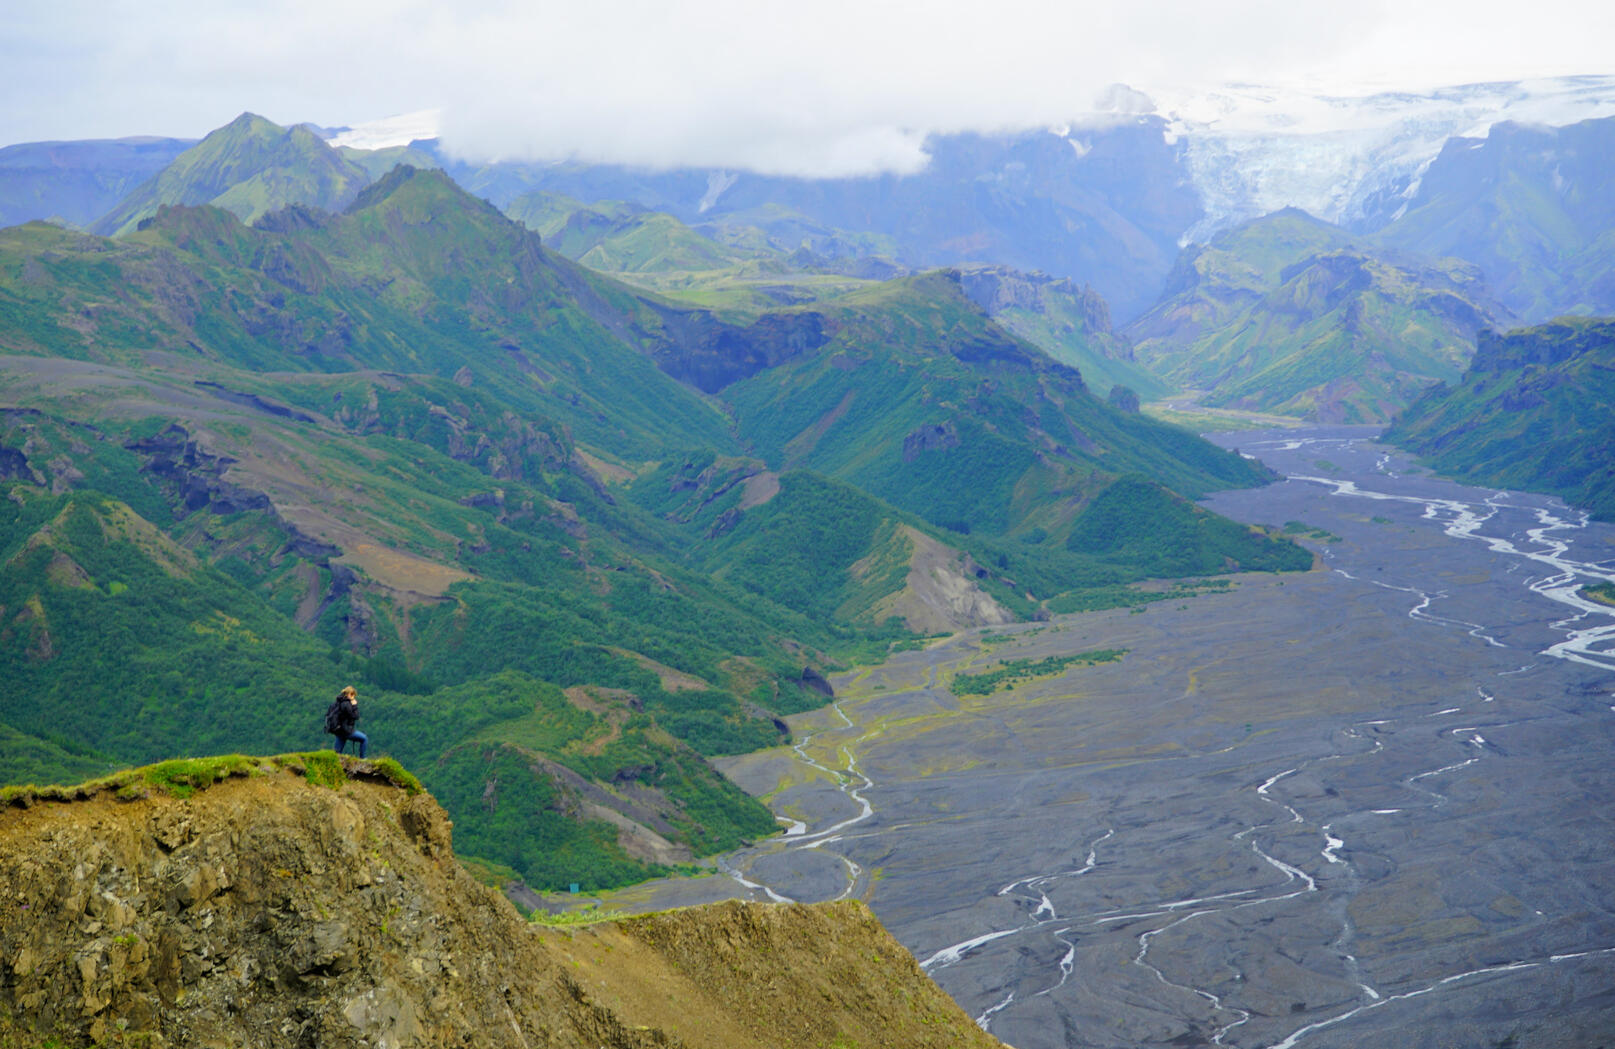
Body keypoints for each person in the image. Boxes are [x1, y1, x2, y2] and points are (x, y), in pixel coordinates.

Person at [324, 685, 368, 758]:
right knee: (364, 739)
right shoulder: (346, 704)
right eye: (353, 694)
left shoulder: (336, 703)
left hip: (338, 730)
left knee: (337, 753)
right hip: (346, 730)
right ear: (349, 694)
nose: (354, 697)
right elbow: (355, 716)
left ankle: (333, 763)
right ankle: (363, 758)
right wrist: (354, 705)